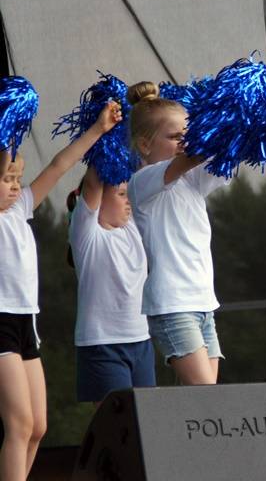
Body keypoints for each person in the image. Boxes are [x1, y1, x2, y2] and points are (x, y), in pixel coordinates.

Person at [0, 100, 119, 481]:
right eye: (6, 179)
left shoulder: (20, 208)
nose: (15, 186)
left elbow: (58, 166)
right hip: (1, 322)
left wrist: (98, 129)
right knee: (19, 425)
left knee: (37, 427)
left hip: (25, 322)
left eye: (17, 178)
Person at [126, 81, 228, 385]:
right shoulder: (142, 181)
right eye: (175, 137)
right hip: (173, 305)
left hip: (204, 304)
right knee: (207, 398)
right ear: (145, 145)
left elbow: (227, 158)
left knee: (199, 401)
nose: (184, 142)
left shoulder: (192, 182)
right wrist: (222, 123)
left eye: (187, 135)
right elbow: (193, 157)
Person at [67, 162, 154, 407]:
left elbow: (146, 168)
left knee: (147, 421)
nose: (129, 201)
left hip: (141, 341)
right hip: (102, 344)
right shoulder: (86, 234)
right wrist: (106, 141)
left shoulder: (133, 228)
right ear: (98, 201)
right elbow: (93, 181)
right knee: (118, 423)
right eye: (122, 194)